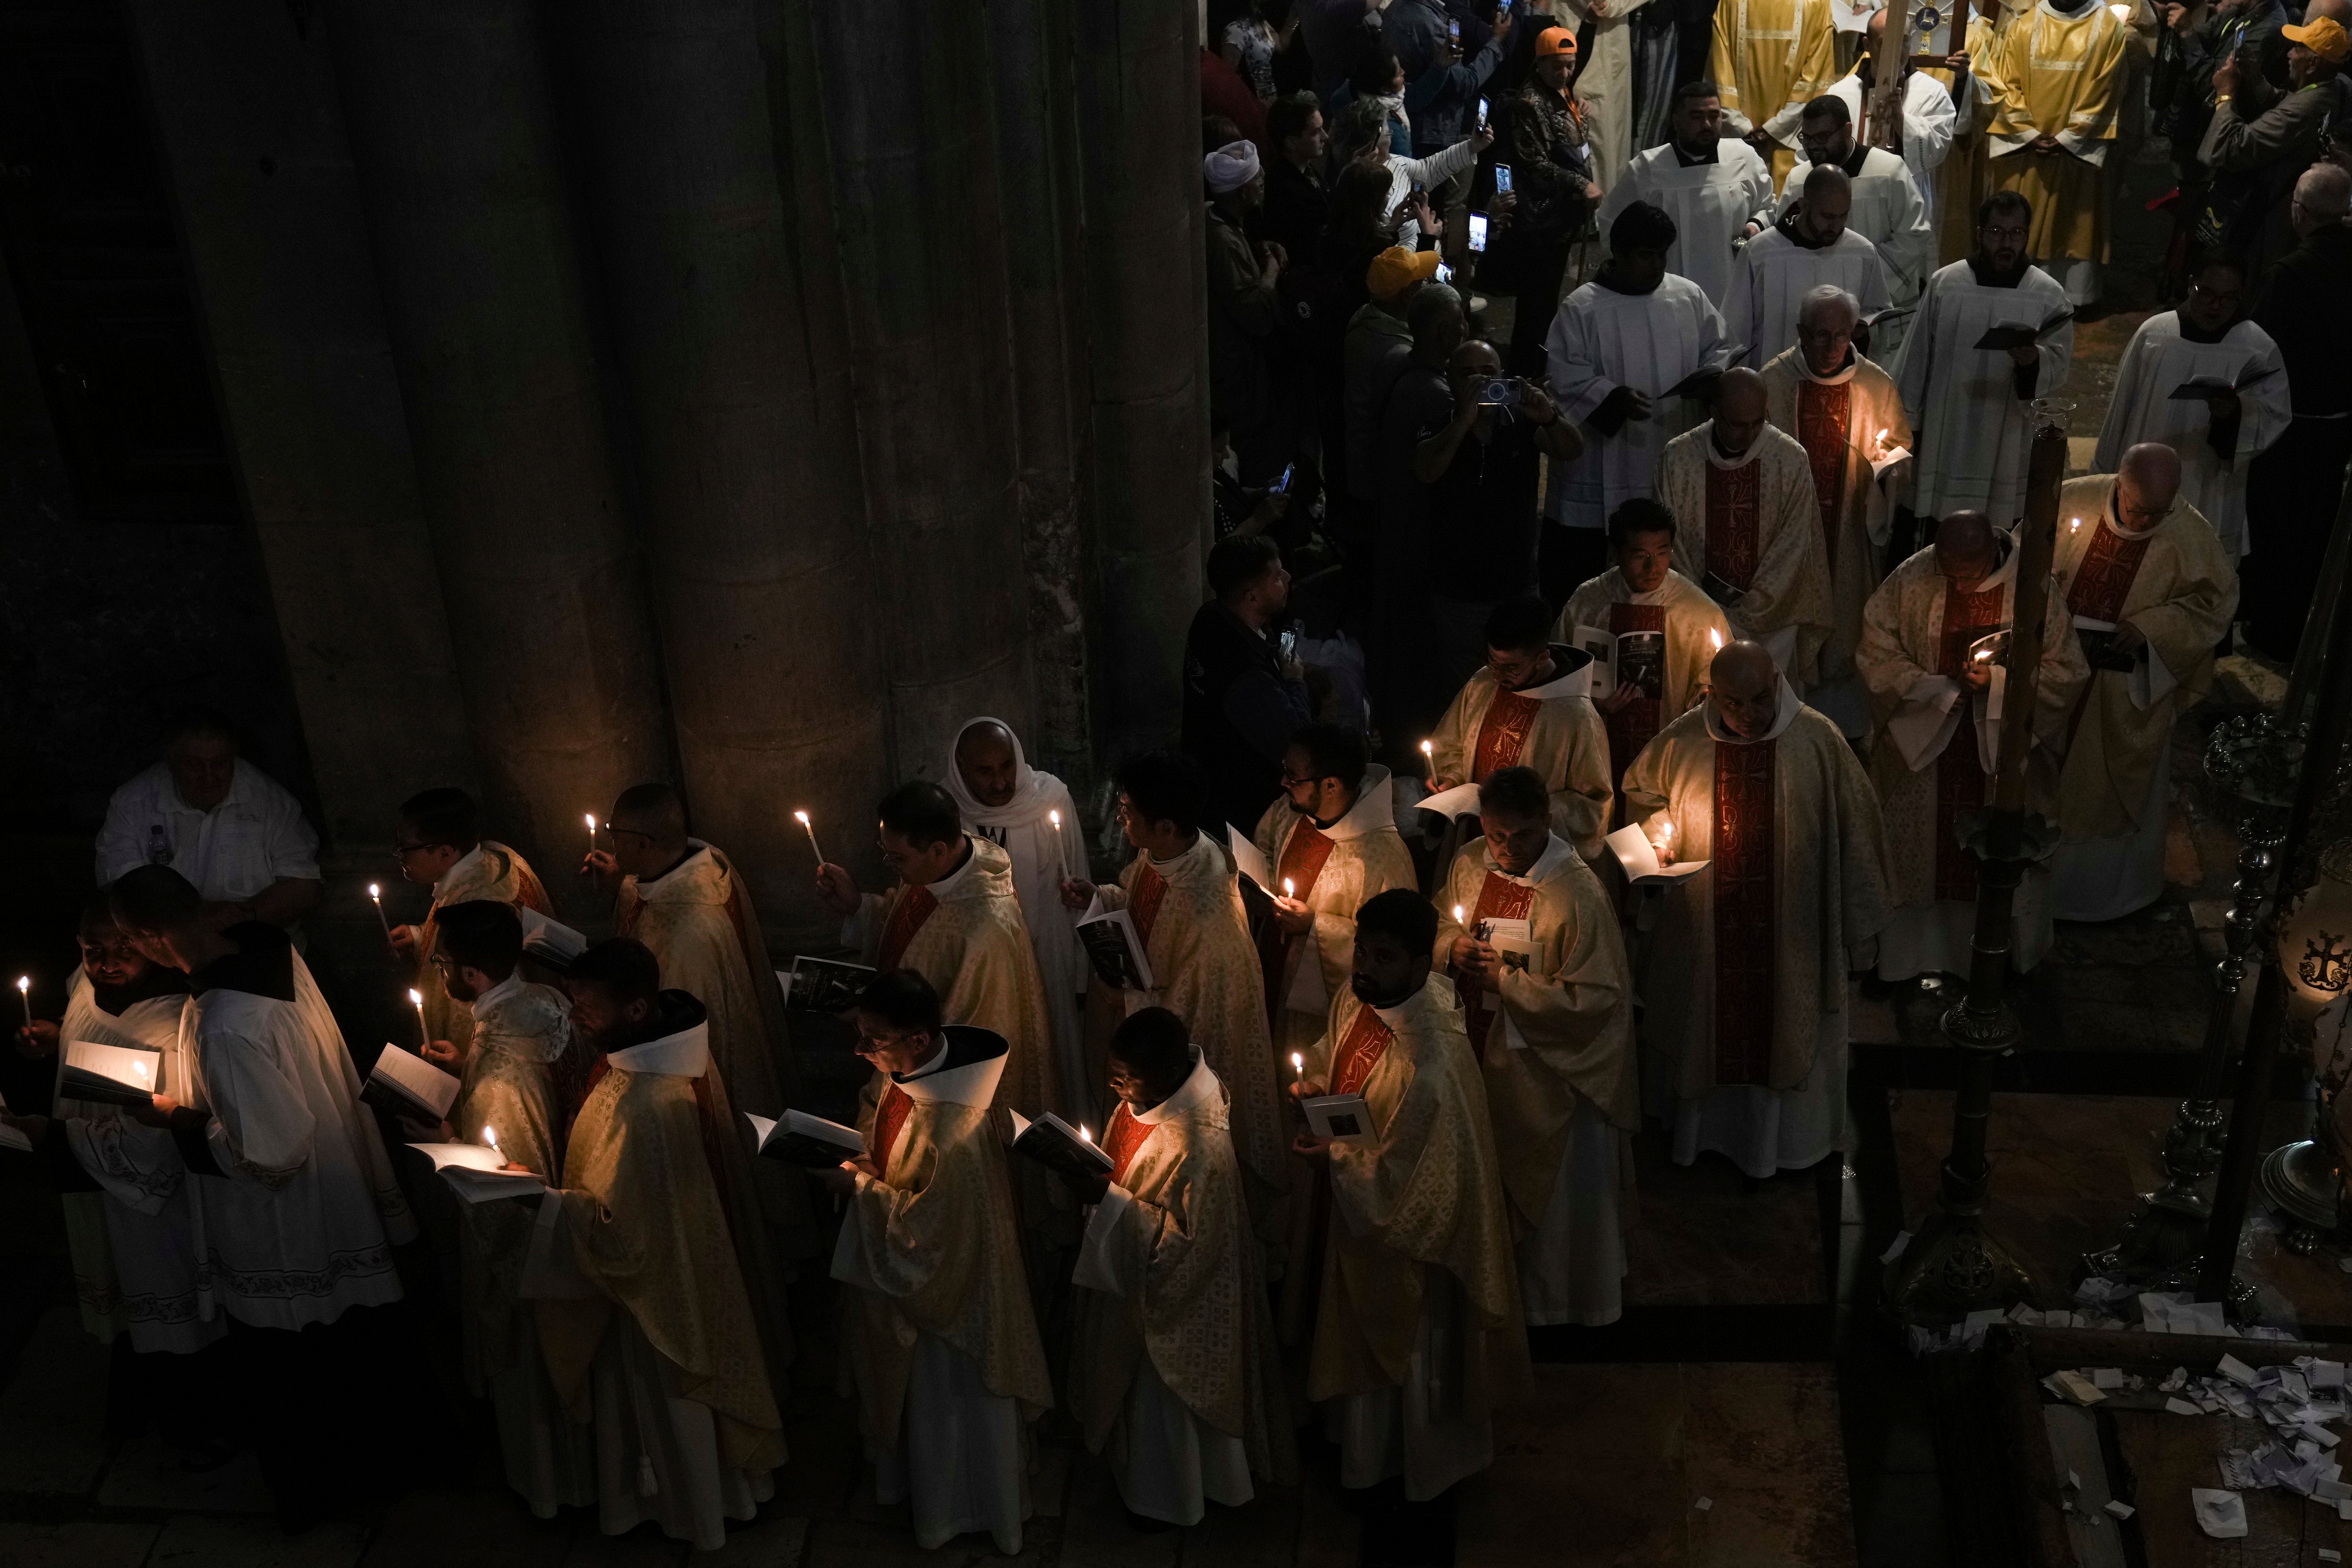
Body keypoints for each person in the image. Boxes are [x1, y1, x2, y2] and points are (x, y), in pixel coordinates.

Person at [100, 866, 413, 1526]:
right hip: (337, 1183)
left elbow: (273, 1150)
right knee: (351, 1348)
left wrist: (176, 1116)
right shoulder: (270, 948)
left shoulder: (226, 1023)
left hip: (285, 1225)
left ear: (151, 938)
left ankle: (324, 1494)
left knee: (299, 1364)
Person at [522, 938, 784, 1552]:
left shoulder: (647, 1103)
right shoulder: (671, 1053)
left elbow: (627, 1240)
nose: (576, 1017)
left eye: (587, 1006)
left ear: (637, 1008)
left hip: (657, 1299)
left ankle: (692, 1507)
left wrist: (542, 1200)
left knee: (669, 1395)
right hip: (683, 1266)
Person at [1621, 641, 1892, 1177]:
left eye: (1759, 699)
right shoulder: (1682, 740)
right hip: (1705, 927)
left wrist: (1859, 926)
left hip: (1790, 932)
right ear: (1710, 693)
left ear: (1778, 681)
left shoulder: (1816, 740)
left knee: (1782, 1024)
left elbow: (1858, 830)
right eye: (1732, 703)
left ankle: (1785, 1145)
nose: (1747, 715)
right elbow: (1644, 796)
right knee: (1706, 1019)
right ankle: (1700, 1135)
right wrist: (1656, 838)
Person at [1292, 888, 1526, 1502]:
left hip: (1412, 1258)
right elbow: (1334, 1048)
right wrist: (1316, 1075)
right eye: (1361, 951)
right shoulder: (1360, 998)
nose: (1365, 967)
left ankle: (1408, 1464)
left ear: (1422, 964)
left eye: (1384, 957)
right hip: (1353, 1215)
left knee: (1411, 1363)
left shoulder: (1435, 1062)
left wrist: (1334, 1157)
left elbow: (1417, 1186)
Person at [821, 969, 1051, 1554]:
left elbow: (929, 1238)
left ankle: (960, 1509)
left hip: (955, 1308)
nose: (861, 1050)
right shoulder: (907, 1074)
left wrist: (857, 1187)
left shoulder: (955, 1124)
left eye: (874, 1039)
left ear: (920, 1038)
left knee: (946, 1409)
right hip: (929, 1290)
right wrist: (862, 1157)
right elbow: (880, 1128)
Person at [1065, 1007, 1299, 1526]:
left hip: (1181, 1308)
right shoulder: (1146, 1098)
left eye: (1126, 1077)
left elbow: (1187, 1247)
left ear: (1169, 1073)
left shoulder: (1199, 1143)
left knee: (1162, 1407)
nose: (1116, 1086)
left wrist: (1108, 1201)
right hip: (1129, 1280)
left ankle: (1175, 1496)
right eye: (1114, 1073)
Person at [1433, 766, 1638, 1326]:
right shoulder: (1470, 862)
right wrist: (1452, 947)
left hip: (1549, 1074)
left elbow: (1596, 999)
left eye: (1522, 835)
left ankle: (1557, 1302)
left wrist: (1507, 983)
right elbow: (1441, 918)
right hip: (1479, 1049)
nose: (1507, 849)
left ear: (1547, 820)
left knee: (1558, 1209)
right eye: (1496, 834)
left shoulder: (1577, 892)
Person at [411, 899, 593, 1520]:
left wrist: (442, 1131)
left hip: (534, 1255)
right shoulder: (544, 1002)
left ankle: (550, 1482)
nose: (440, 973)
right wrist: (465, 1065)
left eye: (443, 964)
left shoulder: (498, 1072)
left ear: (470, 973)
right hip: (573, 1196)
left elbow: (504, 1188)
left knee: (531, 1366)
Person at [1062, 752, 1288, 1238]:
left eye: (1128, 813)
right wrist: (1100, 897)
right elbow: (1142, 903)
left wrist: (1125, 998)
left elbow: (1193, 1015)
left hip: (1172, 1080)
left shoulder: (1210, 915)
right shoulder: (1170, 853)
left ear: (1165, 826)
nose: (1120, 821)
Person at [1855, 512, 2089, 981]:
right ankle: (1910, 960)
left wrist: (1998, 684)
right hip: (1923, 750)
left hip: (1999, 758)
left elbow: (2067, 671)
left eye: (1970, 575)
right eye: (1949, 574)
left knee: (1995, 856)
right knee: (1916, 855)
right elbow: (1875, 649)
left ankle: (1996, 964)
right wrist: (1937, 689)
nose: (1959, 586)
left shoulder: (2034, 589)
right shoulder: (1912, 576)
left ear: (1991, 552)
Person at [591, 782, 805, 1251]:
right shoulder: (706, 864)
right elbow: (642, 900)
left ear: (642, 844)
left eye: (615, 834)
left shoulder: (688, 932)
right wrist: (617, 887)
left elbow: (673, 1040)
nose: (609, 842)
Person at [2048, 449, 2239, 921]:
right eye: (2137, 509)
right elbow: (2023, 560)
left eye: (2158, 512)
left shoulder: (2190, 534)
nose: (2144, 521)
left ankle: (2110, 896)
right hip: (2056, 678)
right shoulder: (2073, 500)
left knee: (2109, 790)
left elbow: (2215, 605)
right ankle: (2037, 893)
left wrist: (2153, 626)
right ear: (2119, 484)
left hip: (2128, 690)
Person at [10, 896, 198, 1352]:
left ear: (151, 944)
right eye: (94, 950)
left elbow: (157, 1136)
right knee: (107, 1274)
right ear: (79, 944)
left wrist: (52, 1135)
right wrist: (58, 1035)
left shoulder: (176, 1015)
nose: (108, 964)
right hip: (88, 1169)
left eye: (124, 949)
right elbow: (91, 1032)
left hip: (147, 1192)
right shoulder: (85, 982)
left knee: (160, 1286)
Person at [816, 780, 1059, 1122]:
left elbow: (967, 1032)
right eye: (886, 852)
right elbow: (908, 927)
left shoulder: (987, 930)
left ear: (938, 851)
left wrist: (879, 1022)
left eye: (897, 857)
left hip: (941, 1095)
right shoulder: (939, 868)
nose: (890, 864)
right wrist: (858, 905)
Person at [1544, 201, 1731, 593]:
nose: (1658, 265)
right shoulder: (1582, 307)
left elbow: (1720, 347)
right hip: (1603, 460)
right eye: (1647, 255)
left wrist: (1710, 380)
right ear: (1619, 253)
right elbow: (1563, 375)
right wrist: (1610, 398)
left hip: (1670, 446)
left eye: (1663, 255)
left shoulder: (1688, 296)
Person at [1760, 285, 1914, 736]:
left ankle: (1845, 733)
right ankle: (1790, 727)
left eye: (1842, 336)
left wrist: (1887, 473)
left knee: (1847, 624)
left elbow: (1900, 450)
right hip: (1791, 537)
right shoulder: (1774, 381)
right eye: (1821, 336)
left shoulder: (1876, 385)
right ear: (1800, 333)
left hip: (1849, 532)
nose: (1832, 347)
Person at [1404, 337, 1585, 691]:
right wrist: (1464, 420)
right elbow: (1426, 471)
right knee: (1466, 689)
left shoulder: (1521, 422)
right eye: (1468, 374)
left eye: (1488, 373)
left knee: (1526, 683)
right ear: (1450, 379)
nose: (1480, 382)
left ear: (1503, 377)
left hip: (1515, 584)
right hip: (1458, 589)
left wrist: (1549, 417)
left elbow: (1572, 449)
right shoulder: (1440, 424)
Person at [2092, 250, 2290, 567]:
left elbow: (2275, 415)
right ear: (2190, 285)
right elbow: (2121, 409)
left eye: (2229, 298)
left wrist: (2233, 414)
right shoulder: (2155, 334)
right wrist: (2101, 478)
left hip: (2211, 484)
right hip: (2145, 477)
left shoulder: (2257, 347)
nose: (2216, 306)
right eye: (2207, 293)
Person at [943, 718, 1093, 1122]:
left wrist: (1082, 977)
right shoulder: (949, 814)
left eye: (1007, 766)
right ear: (961, 767)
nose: (1000, 782)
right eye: (985, 771)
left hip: (1050, 957)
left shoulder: (1050, 799)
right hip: (989, 970)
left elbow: (1079, 881)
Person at [1898, 191, 2075, 530]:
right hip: (1947, 428)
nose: (2006, 243)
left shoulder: (2047, 294)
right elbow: (1917, 357)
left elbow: (2059, 363)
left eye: (2016, 233)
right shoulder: (1948, 284)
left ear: (2027, 235)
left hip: (2008, 430)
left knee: (1998, 525)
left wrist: (2033, 362)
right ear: (1980, 233)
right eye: (1996, 232)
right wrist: (1911, 427)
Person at [1250, 723, 1420, 1063]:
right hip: (1270, 964)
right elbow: (1265, 849)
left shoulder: (1382, 856)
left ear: (1330, 785)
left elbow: (1393, 949)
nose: (1284, 782)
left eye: (1293, 776)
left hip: (1316, 1009)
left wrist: (1315, 926)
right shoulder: (1291, 809)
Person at [1656, 366, 1835, 688]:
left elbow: (1794, 544)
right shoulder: (1678, 458)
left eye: (1758, 422)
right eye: (1739, 425)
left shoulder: (1789, 458)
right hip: (1697, 613)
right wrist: (1704, 607)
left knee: (1767, 700)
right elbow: (1670, 542)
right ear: (1714, 413)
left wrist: (1753, 608)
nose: (1751, 435)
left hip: (1772, 617)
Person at [2243, 163, 2352, 658]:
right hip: (2341, 429)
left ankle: (2270, 630)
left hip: (2290, 428)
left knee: (2278, 529)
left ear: (2300, 212)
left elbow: (2259, 352)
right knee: (2320, 531)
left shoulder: (2289, 275)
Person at [1556, 498, 1734, 795]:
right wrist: (1592, 705)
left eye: (1662, 553)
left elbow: (1716, 678)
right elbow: (1558, 673)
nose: (1653, 567)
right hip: (1597, 743)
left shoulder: (1697, 610)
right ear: (1616, 553)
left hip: (1666, 746)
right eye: (1640, 555)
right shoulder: (1589, 601)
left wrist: (1705, 696)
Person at [95, 709, 320, 933]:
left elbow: (304, 885)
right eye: (194, 765)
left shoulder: (273, 802)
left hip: (254, 939)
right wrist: (197, 917)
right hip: (166, 941)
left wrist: (240, 917)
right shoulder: (132, 803)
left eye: (220, 764)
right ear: (172, 762)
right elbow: (120, 888)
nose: (209, 777)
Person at [1426, 595, 1617, 860]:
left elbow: (1595, 806)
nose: (1498, 676)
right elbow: (1452, 745)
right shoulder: (1483, 684)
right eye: (1493, 662)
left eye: (1511, 667)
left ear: (1542, 658)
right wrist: (1453, 777)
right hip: (1474, 834)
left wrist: (1526, 813)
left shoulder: (1576, 716)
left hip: (1529, 852)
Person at [387, 786, 552, 1072]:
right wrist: (419, 936)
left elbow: (473, 1000)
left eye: (405, 848)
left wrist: (465, 1065)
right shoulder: (497, 858)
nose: (399, 856)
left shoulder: (474, 907)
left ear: (445, 852)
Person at [1983, 0, 2132, 306]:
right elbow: (2005, 83)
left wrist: (2069, 137)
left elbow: (2107, 87)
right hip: (2029, 151)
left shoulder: (2108, 28)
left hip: (2076, 153)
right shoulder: (2022, 26)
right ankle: (2017, 285)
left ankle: (2071, 298)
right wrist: (2029, 133)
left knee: (2074, 223)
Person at [1373, 283, 1472, 733]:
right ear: (1445, 332)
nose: (1466, 328)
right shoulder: (1435, 395)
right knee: (1415, 639)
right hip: (1415, 532)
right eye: (1460, 322)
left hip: (1394, 524)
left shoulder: (1400, 366)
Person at [1774, 96, 1938, 357]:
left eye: (1823, 137)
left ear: (1847, 130)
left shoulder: (1888, 170)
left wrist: (1856, 281)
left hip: (1873, 311)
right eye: (1807, 138)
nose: (1814, 146)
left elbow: (1913, 235)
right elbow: (1784, 242)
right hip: (1819, 316)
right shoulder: (1799, 180)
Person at [1600, 81, 1779, 310]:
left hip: (1734, 286)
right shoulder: (1648, 168)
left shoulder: (1744, 157)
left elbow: (1767, 205)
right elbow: (1612, 224)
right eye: (1696, 117)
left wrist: (1755, 225)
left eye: (1714, 116)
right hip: (1667, 295)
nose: (1707, 125)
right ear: (1676, 121)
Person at [2194, 16, 2348, 280]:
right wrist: (2256, 79)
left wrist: (2225, 95)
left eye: (2298, 49)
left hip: (2268, 216)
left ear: (2313, 64)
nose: (2289, 54)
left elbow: (2234, 147)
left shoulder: (2309, 107)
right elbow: (2286, 103)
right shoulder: (2330, 86)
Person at [1183, 534, 1315, 836]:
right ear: (1252, 598)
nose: (1288, 577)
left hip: (1208, 781)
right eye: (1276, 577)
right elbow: (1296, 745)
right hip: (1244, 810)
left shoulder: (1211, 614)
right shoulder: (1247, 677)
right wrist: (1295, 680)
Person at [1722, 164, 1894, 367]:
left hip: (1839, 377)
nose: (1836, 226)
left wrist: (1862, 327)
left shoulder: (1862, 252)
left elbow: (1878, 317)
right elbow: (1736, 328)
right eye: (1828, 217)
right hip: (1773, 378)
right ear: (1804, 205)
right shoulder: (1761, 253)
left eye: (1843, 215)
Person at [1505, 27, 1602, 377]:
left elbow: (1570, 141)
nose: (1564, 73)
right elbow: (1534, 163)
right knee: (1537, 302)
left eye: (1570, 65)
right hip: (1541, 219)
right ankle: (1525, 373)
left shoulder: (1561, 92)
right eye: (1557, 66)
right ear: (1541, 62)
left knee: (1550, 299)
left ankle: (1542, 366)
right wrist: (1581, 183)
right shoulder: (1530, 102)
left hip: (1561, 215)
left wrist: (1580, 117)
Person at [1824, 10, 1960, 233]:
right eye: (1885, 42)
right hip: (1852, 204)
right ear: (1867, 45)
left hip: (1909, 202)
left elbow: (1939, 146)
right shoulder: (1840, 94)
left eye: (1904, 40)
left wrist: (1902, 121)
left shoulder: (1932, 92)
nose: (1896, 50)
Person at [1207, 140, 1290, 485]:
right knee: (1250, 453)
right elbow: (1254, 314)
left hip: (1237, 366)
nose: (1264, 178)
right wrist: (1270, 271)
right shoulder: (1224, 242)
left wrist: (1256, 251)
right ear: (1242, 193)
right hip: (1237, 372)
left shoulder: (1217, 217)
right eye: (1257, 178)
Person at [1707, 0, 1839, 185]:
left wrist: (1740, 126)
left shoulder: (1731, 4)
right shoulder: (1816, 4)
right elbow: (1815, 77)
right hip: (1790, 135)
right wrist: (1778, 127)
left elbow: (1721, 71)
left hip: (1742, 139)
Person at [1263, 91, 1337, 259]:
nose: (1325, 137)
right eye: (1315, 132)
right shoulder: (1287, 190)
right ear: (1291, 142)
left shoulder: (1304, 168)